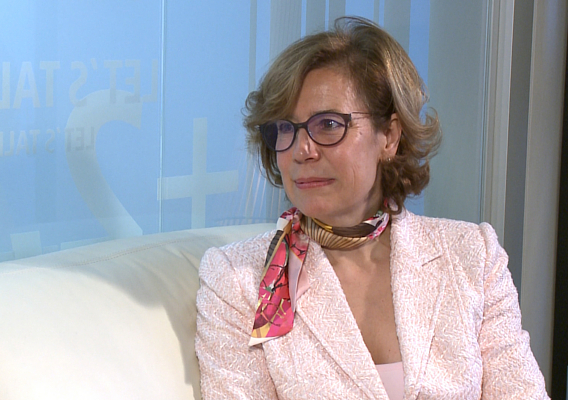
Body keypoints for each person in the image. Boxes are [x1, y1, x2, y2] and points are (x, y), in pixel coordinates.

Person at [195, 17, 549, 399]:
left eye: (328, 124)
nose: (302, 150)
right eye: (285, 129)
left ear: (389, 136)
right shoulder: (236, 279)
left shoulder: (472, 255)